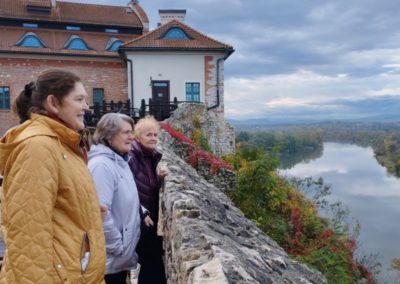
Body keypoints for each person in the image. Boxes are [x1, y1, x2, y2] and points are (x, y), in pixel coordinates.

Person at [0, 69, 106, 283]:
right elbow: (27, 236)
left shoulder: (63, 145)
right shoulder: (38, 147)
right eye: (79, 99)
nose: (87, 106)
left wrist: (87, 209)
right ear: (53, 103)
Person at [88, 113, 141, 284]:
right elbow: (99, 212)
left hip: (117, 260)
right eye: (126, 132)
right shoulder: (102, 166)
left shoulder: (119, 161)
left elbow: (126, 199)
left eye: (131, 132)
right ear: (109, 137)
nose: (131, 137)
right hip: (108, 261)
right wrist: (118, 248)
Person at [128, 115, 168, 284]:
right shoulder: (133, 157)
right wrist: (141, 213)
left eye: (155, 135)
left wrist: (158, 178)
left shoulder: (149, 156)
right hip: (140, 220)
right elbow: (127, 190)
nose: (153, 138)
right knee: (152, 265)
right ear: (138, 137)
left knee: (152, 264)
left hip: (149, 219)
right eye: (148, 135)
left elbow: (146, 185)